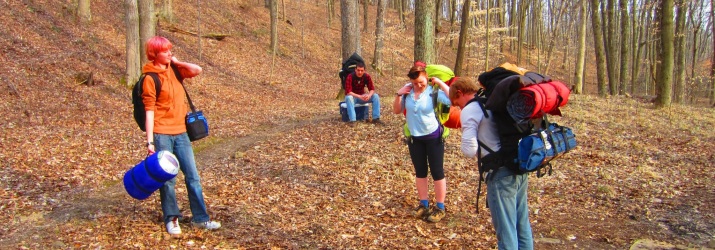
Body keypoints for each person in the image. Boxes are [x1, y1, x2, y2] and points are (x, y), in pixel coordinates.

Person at [141, 36, 221, 236]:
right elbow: (149, 111)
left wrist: (176, 62)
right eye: (165, 51)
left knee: (193, 177)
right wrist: (150, 141)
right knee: (168, 179)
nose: (169, 53)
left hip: (182, 133)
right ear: (154, 54)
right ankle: (172, 218)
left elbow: (197, 70)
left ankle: (201, 219)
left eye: (170, 50)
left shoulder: (175, 70)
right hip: (162, 134)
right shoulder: (150, 78)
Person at [448, 78, 533, 249]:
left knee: (506, 230)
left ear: (460, 93)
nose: (458, 107)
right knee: (521, 224)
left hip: (499, 174)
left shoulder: (470, 109)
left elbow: (469, 149)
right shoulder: (490, 102)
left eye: (456, 103)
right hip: (517, 165)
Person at [392, 65, 451, 222]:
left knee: (437, 171)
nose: (419, 85)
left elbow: (452, 98)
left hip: (433, 137)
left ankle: (440, 207)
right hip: (415, 138)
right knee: (420, 171)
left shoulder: (434, 92)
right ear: (410, 81)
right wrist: (398, 94)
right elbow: (397, 110)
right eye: (415, 82)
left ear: (426, 77)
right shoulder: (408, 93)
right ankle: (423, 204)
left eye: (421, 81)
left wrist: (439, 82)